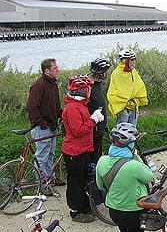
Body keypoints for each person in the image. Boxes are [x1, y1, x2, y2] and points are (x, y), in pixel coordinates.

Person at [62, 75, 105, 223]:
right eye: (87, 89)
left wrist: (93, 117)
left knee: (83, 180)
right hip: (74, 151)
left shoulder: (80, 104)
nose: (89, 91)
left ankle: (85, 206)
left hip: (82, 149)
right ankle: (75, 211)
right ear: (81, 90)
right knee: (75, 182)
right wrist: (94, 119)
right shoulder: (72, 108)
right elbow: (78, 131)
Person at [96, 123, 154, 232]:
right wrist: (136, 157)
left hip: (114, 210)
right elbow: (149, 177)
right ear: (130, 145)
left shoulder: (102, 160)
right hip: (134, 211)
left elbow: (100, 185)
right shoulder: (134, 164)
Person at [27, 58, 64, 191]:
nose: (57, 70)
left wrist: (64, 115)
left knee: (51, 154)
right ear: (47, 70)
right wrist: (40, 123)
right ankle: (42, 184)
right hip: (42, 127)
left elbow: (56, 106)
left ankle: (50, 178)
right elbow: (32, 107)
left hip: (52, 126)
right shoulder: (39, 85)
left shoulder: (53, 84)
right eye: (55, 68)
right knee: (42, 156)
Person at [107, 49, 148, 126]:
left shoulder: (132, 71)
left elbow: (139, 86)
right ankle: (117, 137)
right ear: (125, 61)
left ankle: (132, 136)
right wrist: (125, 101)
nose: (134, 61)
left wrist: (137, 98)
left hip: (133, 103)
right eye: (132, 59)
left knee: (133, 124)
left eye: (135, 59)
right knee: (122, 126)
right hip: (122, 105)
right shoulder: (117, 73)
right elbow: (116, 91)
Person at [87, 58, 111, 164]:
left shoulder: (96, 85)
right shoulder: (91, 88)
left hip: (99, 127)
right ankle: (93, 177)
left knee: (97, 154)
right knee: (94, 157)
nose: (106, 74)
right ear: (100, 73)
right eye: (104, 71)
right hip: (94, 129)